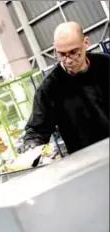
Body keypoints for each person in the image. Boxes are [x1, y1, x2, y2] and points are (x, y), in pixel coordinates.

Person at [18, 21, 109, 155]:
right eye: (61, 54)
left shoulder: (106, 65)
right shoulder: (49, 88)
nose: (68, 60)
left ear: (86, 43)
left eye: (73, 52)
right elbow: (37, 130)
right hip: (86, 162)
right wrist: (31, 145)